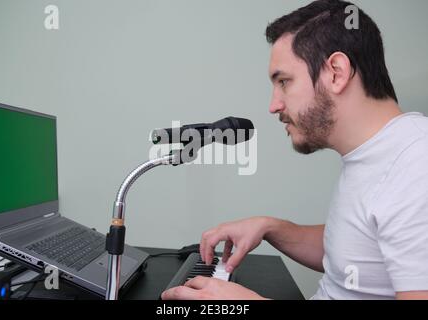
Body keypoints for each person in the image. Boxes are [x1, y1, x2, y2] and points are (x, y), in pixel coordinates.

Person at [161, 0, 428, 300]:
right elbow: (358, 252)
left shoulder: (417, 166)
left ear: (336, 73)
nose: (273, 105)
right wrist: (271, 227)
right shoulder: (380, 154)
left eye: (284, 81)